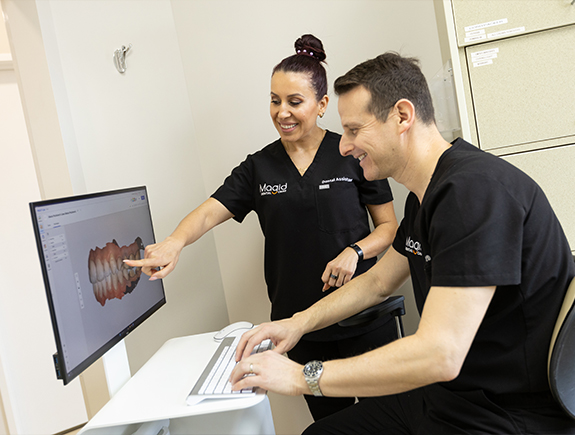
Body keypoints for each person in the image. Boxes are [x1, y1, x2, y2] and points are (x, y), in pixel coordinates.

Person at [230, 52, 575, 434]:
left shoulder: (473, 193)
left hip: (503, 414)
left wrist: (302, 378)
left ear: (403, 116)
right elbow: (378, 282)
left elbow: (439, 354)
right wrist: (297, 324)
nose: (344, 147)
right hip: (452, 396)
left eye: (354, 130)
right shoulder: (425, 196)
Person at [126, 35, 398, 421]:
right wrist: (174, 243)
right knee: (332, 427)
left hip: (365, 320)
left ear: (322, 105)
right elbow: (209, 212)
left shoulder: (352, 153)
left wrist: (355, 252)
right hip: (301, 328)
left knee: (388, 422)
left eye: (294, 101)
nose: (282, 112)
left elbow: (389, 227)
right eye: (274, 100)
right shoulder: (259, 168)